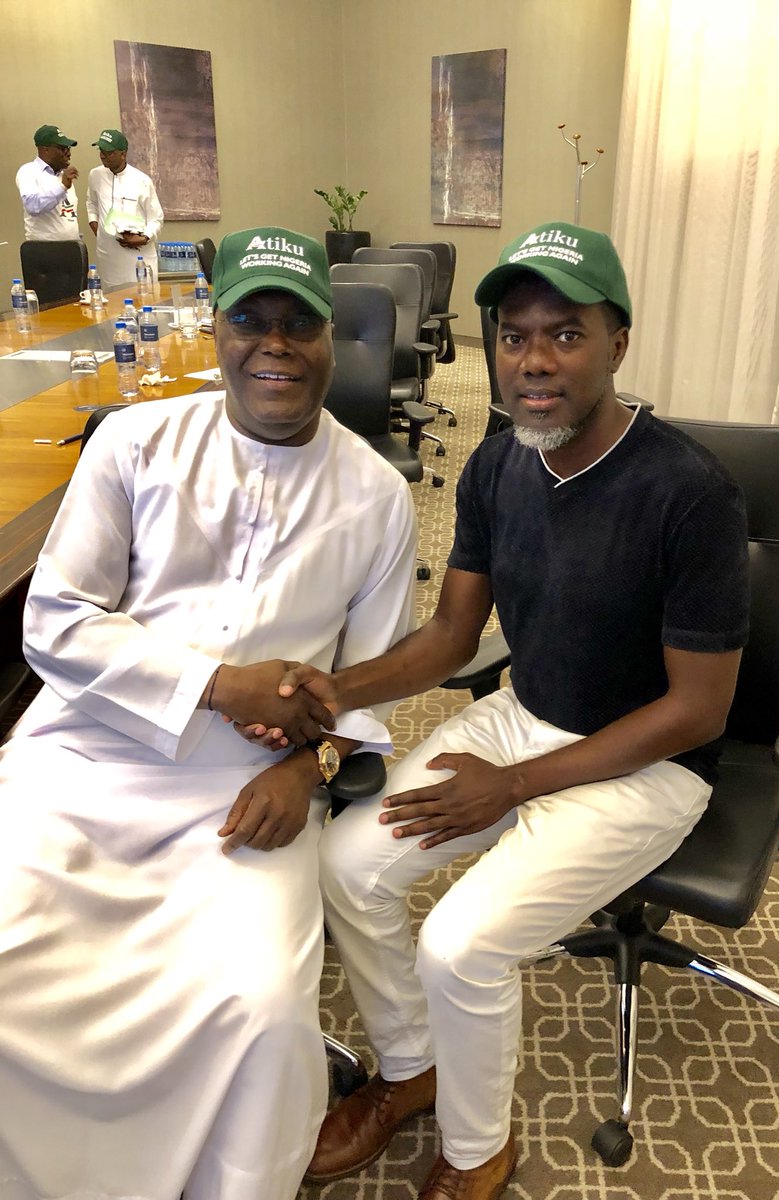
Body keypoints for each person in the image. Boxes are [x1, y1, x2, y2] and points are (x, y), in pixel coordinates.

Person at [241, 221, 751, 1199]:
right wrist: (335, 691)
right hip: (525, 717)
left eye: (566, 334)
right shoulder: (497, 465)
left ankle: (478, 1154)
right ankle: (413, 1067)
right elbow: (451, 636)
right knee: (347, 866)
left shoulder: (690, 494)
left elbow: (697, 710)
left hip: (649, 765)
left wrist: (512, 786)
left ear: (618, 343)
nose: (534, 361)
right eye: (514, 337)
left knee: (461, 944)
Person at [0, 227, 418, 1200]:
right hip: (85, 760)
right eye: (250, 320)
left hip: (246, 794)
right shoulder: (133, 443)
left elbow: (374, 686)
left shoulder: (377, 496)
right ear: (215, 329)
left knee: (260, 1008)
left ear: (330, 338)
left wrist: (307, 769)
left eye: (298, 324)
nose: (275, 345)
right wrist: (220, 684)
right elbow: (54, 622)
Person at [86, 128, 165, 286]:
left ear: (123, 154)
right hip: (107, 257)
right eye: (101, 151)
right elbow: (91, 203)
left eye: (109, 152)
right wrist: (96, 227)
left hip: (137, 257)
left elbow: (156, 218)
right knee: (110, 300)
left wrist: (143, 238)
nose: (103, 155)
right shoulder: (95, 175)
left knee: (140, 297)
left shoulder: (141, 180)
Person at [16, 123, 80, 241]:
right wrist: (62, 187)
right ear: (45, 150)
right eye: (63, 149)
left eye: (69, 149)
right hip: (43, 249)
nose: (69, 153)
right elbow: (32, 206)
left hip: (71, 247)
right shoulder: (28, 171)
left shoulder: (63, 175)